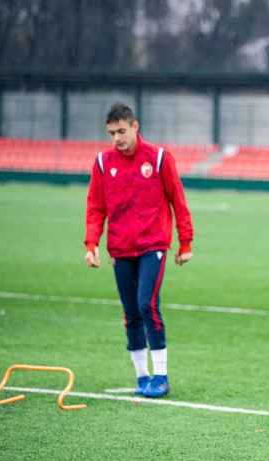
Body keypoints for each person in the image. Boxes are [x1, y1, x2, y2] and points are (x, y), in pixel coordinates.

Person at [84, 102, 193, 398]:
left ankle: (161, 376)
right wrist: (91, 242)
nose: (117, 138)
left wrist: (185, 243)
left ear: (135, 126)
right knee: (130, 312)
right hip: (119, 249)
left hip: (153, 246)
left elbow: (177, 201)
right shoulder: (103, 163)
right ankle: (142, 377)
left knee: (147, 304)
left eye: (121, 131)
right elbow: (95, 207)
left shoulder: (158, 159)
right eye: (111, 133)